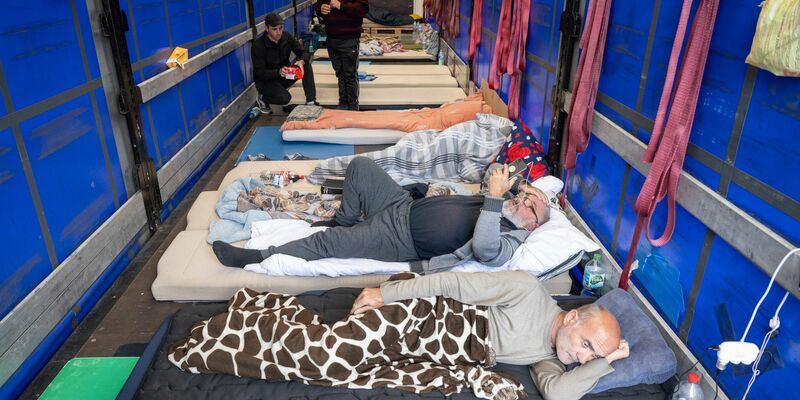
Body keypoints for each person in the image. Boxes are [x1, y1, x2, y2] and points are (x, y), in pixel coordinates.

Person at [170, 271, 630, 399]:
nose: (581, 357)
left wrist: (608, 360)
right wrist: (385, 293)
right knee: (329, 360)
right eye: (587, 344)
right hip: (422, 318)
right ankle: (239, 324)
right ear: (572, 317)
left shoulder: (548, 357)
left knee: (340, 374)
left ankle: (264, 322)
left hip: (426, 353)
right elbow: (452, 284)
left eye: (590, 358)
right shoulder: (529, 292)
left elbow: (558, 394)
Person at [212, 157, 552, 272]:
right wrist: (506, 181)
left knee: (328, 241)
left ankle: (255, 257)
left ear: (534, 223)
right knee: (360, 166)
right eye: (525, 193)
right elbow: (491, 173)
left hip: (399, 240)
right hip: (401, 206)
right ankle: (344, 218)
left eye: (530, 202)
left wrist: (494, 199)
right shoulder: (505, 199)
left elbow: (486, 250)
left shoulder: (512, 237)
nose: (521, 199)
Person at [251, 12, 317, 113]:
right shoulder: (258, 46)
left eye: (280, 28)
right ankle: (263, 99)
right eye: (274, 29)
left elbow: (304, 52)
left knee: (306, 65)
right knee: (285, 98)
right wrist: (278, 72)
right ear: (266, 28)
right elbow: (260, 73)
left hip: (285, 75)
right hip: (267, 81)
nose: (278, 32)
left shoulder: (287, 37)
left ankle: (311, 102)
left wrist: (302, 62)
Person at [315, 0, 368, 110]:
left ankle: (353, 106)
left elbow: (363, 9)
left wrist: (342, 6)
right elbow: (318, 6)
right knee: (339, 73)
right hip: (332, 37)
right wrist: (321, 9)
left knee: (350, 74)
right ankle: (343, 103)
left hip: (349, 37)